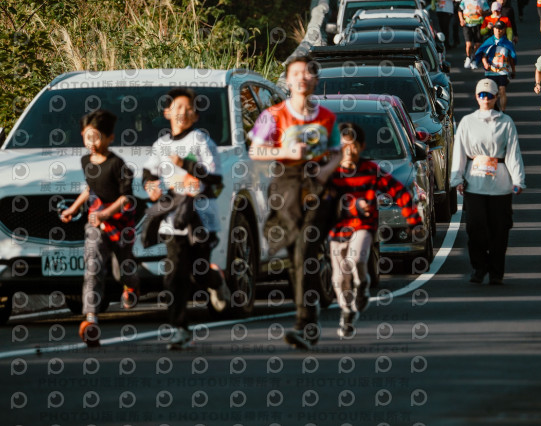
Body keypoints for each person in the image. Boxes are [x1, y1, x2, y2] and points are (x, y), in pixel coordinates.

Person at [248, 55, 342, 350]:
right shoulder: (273, 115)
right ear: (287, 81)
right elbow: (255, 151)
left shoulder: (326, 117)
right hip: (286, 183)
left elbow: (338, 152)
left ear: (315, 80)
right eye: (296, 73)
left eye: (308, 73)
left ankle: (304, 323)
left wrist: (326, 170)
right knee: (295, 256)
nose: (302, 77)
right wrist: (284, 151)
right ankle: (311, 315)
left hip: (318, 186)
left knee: (305, 248)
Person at [142, 87, 230, 350]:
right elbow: (149, 172)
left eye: (188, 108)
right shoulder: (161, 145)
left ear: (196, 115)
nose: (183, 112)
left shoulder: (201, 141)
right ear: (167, 112)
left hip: (201, 216)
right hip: (174, 218)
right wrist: (151, 185)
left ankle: (215, 280)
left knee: (197, 273)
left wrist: (187, 164)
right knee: (174, 274)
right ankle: (179, 329)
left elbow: (215, 177)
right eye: (177, 107)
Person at [328, 122, 423, 338]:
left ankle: (362, 283)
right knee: (339, 277)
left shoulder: (371, 170)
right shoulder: (331, 172)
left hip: (363, 226)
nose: (348, 151)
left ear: (361, 147)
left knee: (356, 259)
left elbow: (400, 192)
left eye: (353, 146)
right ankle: (347, 311)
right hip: (337, 229)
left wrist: (414, 222)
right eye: (343, 146)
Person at [60, 109, 140, 347]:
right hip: (96, 224)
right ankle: (91, 319)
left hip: (120, 223)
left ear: (109, 137)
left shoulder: (118, 164)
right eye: (87, 137)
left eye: (96, 137)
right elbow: (90, 189)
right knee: (92, 267)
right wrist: (73, 209)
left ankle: (132, 287)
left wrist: (106, 213)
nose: (91, 143)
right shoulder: (85, 162)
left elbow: (126, 198)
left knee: (122, 270)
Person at [450, 78, 525, 285]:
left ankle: (496, 272)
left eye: (490, 95)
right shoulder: (467, 122)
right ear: (476, 97)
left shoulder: (506, 122)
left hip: (500, 184)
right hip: (475, 183)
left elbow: (513, 153)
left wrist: (518, 180)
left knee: (500, 229)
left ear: (496, 97)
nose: (486, 99)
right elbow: (459, 152)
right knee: (475, 227)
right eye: (482, 95)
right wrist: (457, 179)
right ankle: (479, 267)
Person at [475, 20, 517, 112]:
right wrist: (485, 63)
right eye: (496, 29)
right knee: (491, 91)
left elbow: (511, 57)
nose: (498, 31)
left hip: (503, 71)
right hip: (491, 71)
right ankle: (493, 109)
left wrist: (513, 70)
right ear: (493, 29)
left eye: (500, 29)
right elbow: (483, 56)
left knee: (502, 90)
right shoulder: (489, 41)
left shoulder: (507, 43)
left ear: (504, 30)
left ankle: (503, 111)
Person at [458, 0, 490, 69]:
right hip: (467, 24)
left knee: (478, 44)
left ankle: (474, 59)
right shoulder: (464, 1)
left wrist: (482, 12)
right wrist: (461, 20)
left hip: (478, 24)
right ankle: (468, 57)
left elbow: (488, 11)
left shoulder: (482, 1)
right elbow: (459, 10)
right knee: (469, 45)